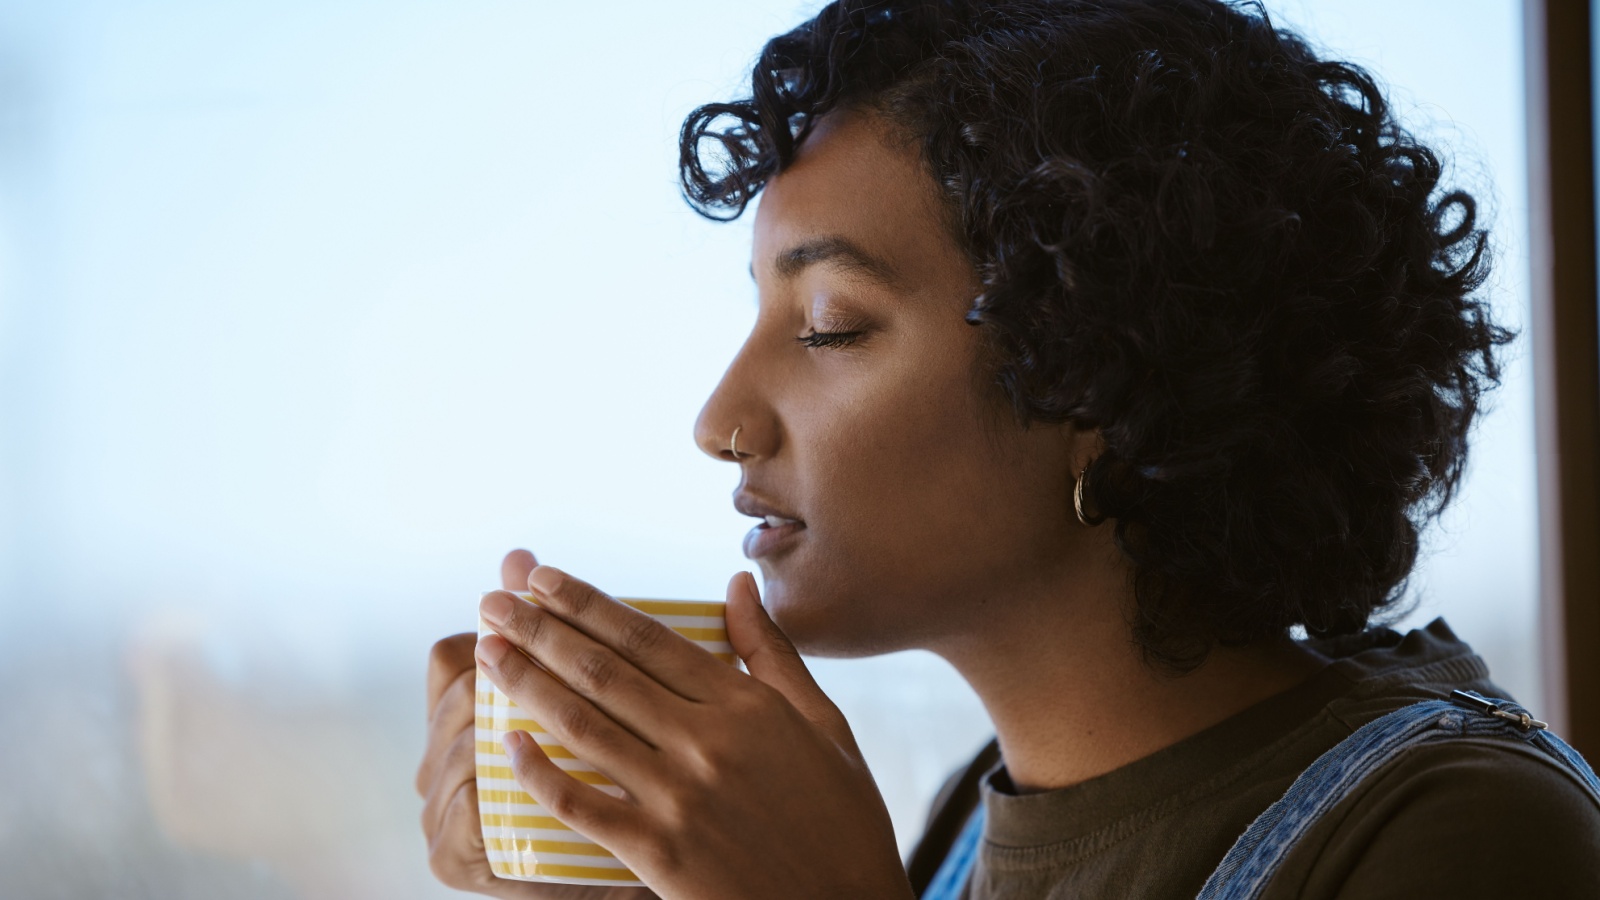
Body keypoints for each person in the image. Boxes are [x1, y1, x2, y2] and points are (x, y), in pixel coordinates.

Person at [415, 1, 1600, 897]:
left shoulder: (1466, 835)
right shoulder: (967, 831)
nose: (721, 420)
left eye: (828, 326)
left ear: (1096, 370)